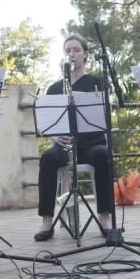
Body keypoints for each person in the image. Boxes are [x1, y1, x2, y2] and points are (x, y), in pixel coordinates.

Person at [34, 34, 114, 241]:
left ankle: (105, 218)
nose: (72, 54)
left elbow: (105, 115)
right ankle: (46, 221)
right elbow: (47, 121)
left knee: (104, 155)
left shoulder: (98, 82)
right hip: (65, 145)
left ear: (85, 54)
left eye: (76, 50)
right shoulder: (54, 88)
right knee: (49, 158)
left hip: (91, 144)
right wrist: (54, 134)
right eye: (68, 50)